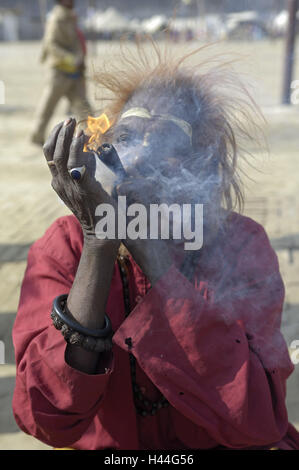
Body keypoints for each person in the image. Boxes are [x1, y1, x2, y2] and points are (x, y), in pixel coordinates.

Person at [13, 44, 299, 450]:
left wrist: (158, 262)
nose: (143, 155)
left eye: (166, 140)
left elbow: (257, 420)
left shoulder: (238, 245)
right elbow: (44, 418)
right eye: (127, 137)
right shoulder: (68, 244)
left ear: (200, 164)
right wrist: (100, 241)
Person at [30, 0, 91, 146]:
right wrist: (70, 58)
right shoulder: (57, 18)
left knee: (84, 108)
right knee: (47, 108)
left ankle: (93, 138)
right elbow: (51, 44)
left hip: (75, 73)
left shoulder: (71, 17)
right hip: (60, 73)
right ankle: (37, 137)